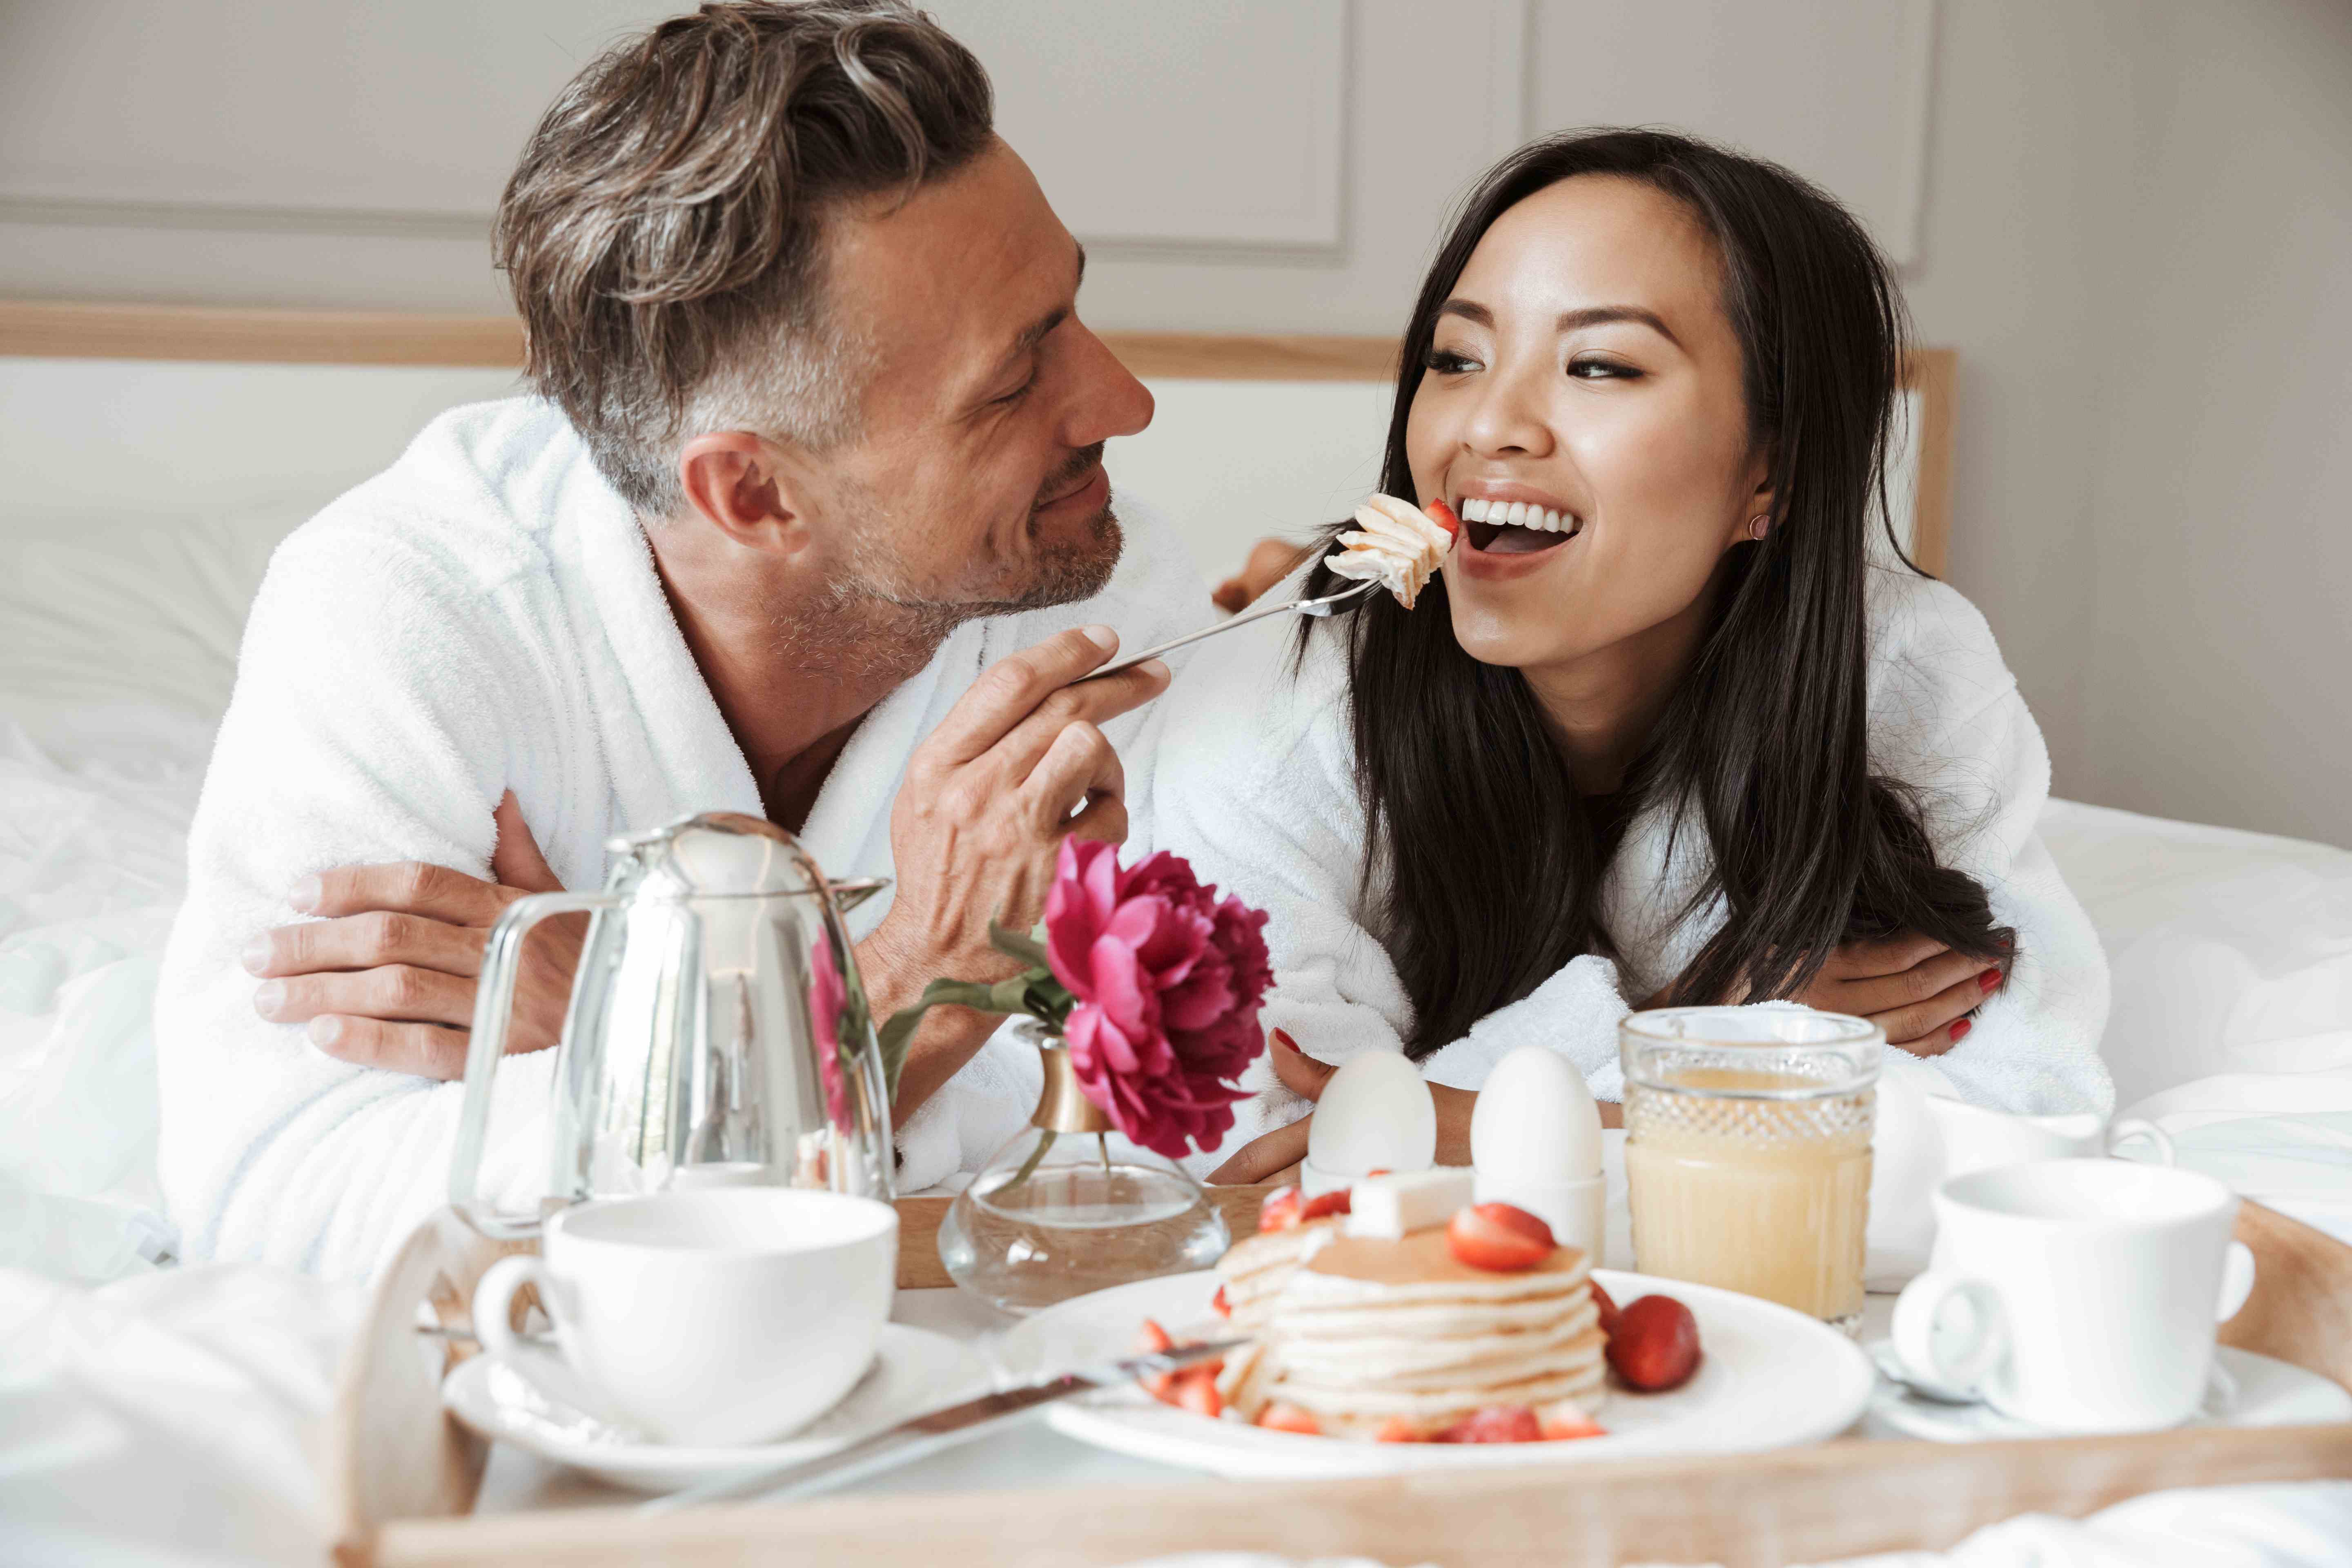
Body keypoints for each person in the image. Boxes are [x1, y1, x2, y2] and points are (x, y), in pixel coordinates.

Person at [155, 0, 1209, 1277]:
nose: (1128, 402)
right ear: (756, 496)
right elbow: (277, 1202)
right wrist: (901, 975)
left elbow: (1194, 1124)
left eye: (1072, 313)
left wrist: (616, 1021)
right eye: (1011, 385)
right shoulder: (409, 613)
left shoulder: (1100, 591)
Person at [1149, 129, 2113, 1185]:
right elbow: (1264, 1148)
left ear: (1772, 478)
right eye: (1456, 358)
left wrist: (1477, 1114)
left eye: (1599, 365)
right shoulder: (1274, 708)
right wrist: (1700, 1033)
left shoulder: (1899, 669)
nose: (1490, 425)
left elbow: (2023, 1113)